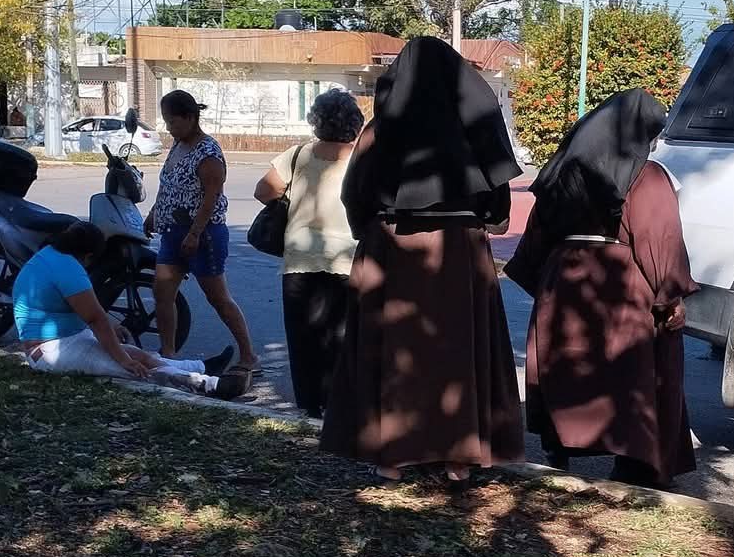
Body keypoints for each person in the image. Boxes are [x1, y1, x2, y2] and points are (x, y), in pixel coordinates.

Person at [323, 36, 525, 480]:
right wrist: (482, 221)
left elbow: (354, 192)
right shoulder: (474, 126)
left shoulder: (382, 128)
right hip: (458, 251)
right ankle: (458, 457)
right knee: (458, 348)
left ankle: (393, 456)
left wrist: (370, 234)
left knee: (397, 345)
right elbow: (498, 199)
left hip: (391, 248)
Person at [505, 89, 696, 487]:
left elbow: (535, 237)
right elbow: (657, 237)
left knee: (566, 366)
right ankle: (634, 463)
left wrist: (546, 282)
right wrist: (671, 294)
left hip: (562, 279)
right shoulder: (645, 176)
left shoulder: (560, 170)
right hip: (620, 283)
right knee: (630, 371)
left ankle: (561, 450)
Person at [14, 220, 243, 396]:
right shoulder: (68, 269)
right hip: (49, 351)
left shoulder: (52, 255)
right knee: (134, 369)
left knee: (139, 355)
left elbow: (89, 310)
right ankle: (211, 385)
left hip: (64, 339)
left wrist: (115, 331)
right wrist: (123, 358)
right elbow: (95, 319)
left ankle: (201, 367)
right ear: (89, 254)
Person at [253, 88, 363, 416]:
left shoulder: (298, 155)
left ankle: (309, 406)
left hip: (300, 259)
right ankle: (340, 404)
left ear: (316, 121)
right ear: (355, 122)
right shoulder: (363, 159)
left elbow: (263, 191)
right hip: (349, 259)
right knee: (343, 338)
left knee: (303, 337)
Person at [151, 89, 258, 379]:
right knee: (162, 292)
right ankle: (168, 353)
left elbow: (212, 196)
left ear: (189, 117)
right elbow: (168, 185)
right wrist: (154, 213)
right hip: (172, 232)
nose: (168, 127)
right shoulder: (178, 146)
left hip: (203, 235)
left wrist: (195, 233)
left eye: (172, 121)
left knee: (218, 298)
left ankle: (248, 354)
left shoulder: (208, 152)